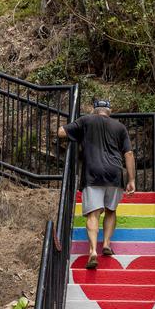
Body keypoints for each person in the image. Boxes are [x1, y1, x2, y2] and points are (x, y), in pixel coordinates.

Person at [57, 100, 135, 269]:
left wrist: (79, 134)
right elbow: (128, 153)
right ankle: (106, 244)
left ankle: (93, 251)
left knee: (93, 214)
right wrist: (131, 180)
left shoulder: (86, 120)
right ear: (109, 111)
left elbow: (61, 132)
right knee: (111, 210)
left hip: (92, 172)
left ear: (94, 110)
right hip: (114, 173)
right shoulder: (120, 127)